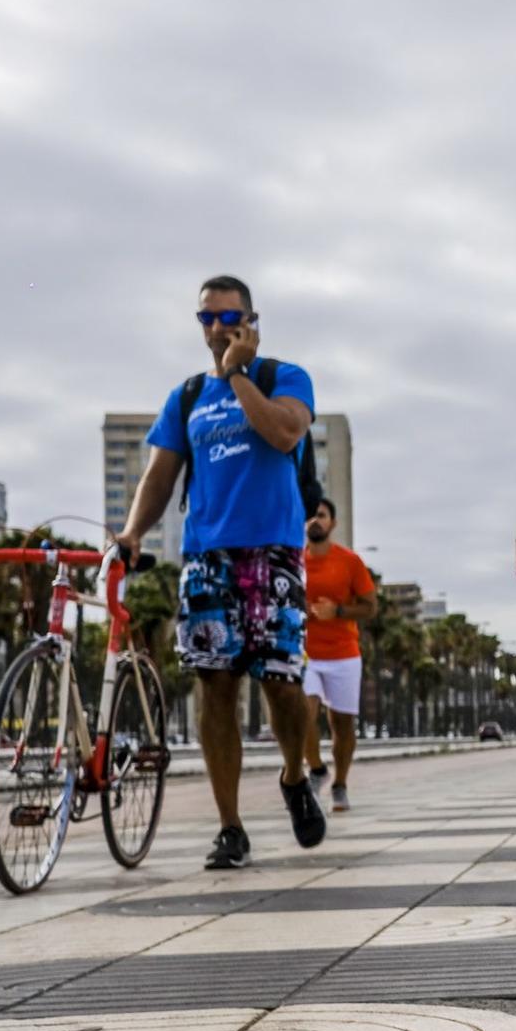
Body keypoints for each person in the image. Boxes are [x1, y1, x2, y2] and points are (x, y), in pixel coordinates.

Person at [115, 274, 327, 869]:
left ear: (252, 320)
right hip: (208, 555)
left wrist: (237, 373)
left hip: (274, 550)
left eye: (228, 317)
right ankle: (230, 826)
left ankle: (292, 777)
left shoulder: (282, 377)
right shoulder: (185, 397)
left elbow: (285, 433)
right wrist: (133, 531)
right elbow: (160, 476)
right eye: (206, 318)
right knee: (215, 686)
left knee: (282, 684)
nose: (216, 328)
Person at [301, 498, 376, 811]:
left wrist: (339, 611)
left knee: (342, 724)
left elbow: (371, 607)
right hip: (305, 654)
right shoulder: (294, 562)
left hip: (344, 653)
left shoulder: (350, 561)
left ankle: (340, 783)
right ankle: (317, 769)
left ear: (332, 523)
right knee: (303, 713)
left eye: (320, 516)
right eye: (308, 516)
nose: (313, 521)